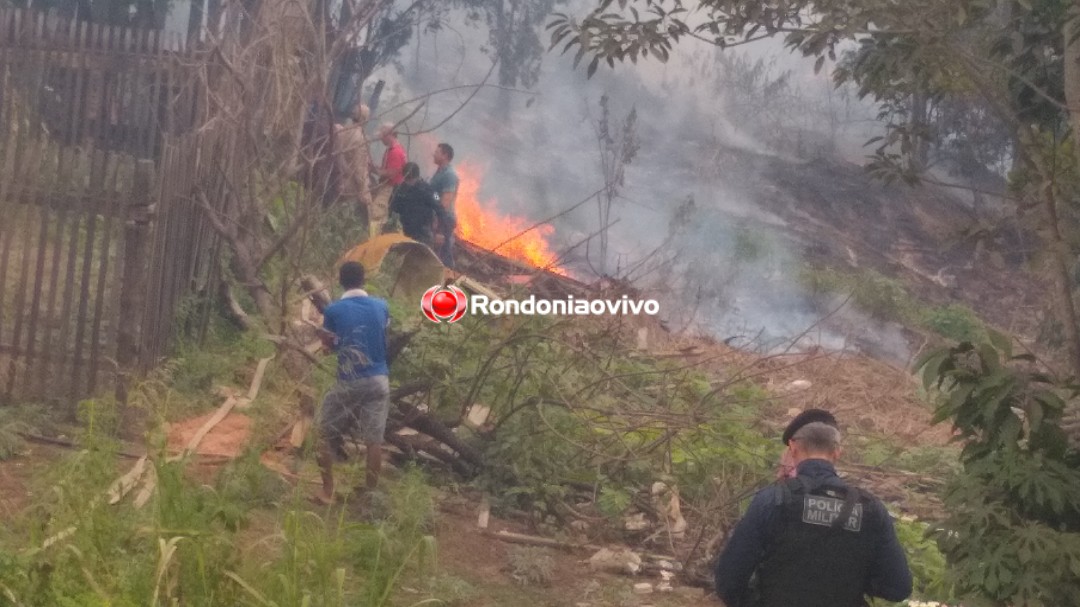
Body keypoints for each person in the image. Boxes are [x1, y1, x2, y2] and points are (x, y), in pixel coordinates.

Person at [714, 422, 912, 607]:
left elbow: (729, 581)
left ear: (792, 448)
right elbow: (898, 588)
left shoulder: (772, 500)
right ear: (837, 452)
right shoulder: (871, 508)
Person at [315, 261, 391, 505]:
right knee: (373, 440)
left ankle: (327, 492)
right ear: (363, 280)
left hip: (350, 380)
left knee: (321, 433)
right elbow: (380, 336)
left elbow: (330, 348)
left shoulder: (333, 311)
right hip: (379, 379)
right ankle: (370, 497)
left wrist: (328, 344)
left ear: (340, 281)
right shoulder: (382, 306)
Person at [386, 162, 453, 249]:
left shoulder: (429, 190)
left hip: (422, 233)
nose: (408, 182)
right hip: (403, 230)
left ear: (416, 177)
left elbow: (440, 208)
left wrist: (440, 231)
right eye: (406, 179)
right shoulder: (399, 189)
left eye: (410, 180)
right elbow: (391, 208)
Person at [333, 102, 373, 220]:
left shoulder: (342, 130)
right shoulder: (361, 140)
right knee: (342, 217)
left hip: (335, 176)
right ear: (365, 119)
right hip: (349, 184)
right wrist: (363, 190)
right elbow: (359, 168)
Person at [777, 408, 838, 480]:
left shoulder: (794, 449)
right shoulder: (788, 451)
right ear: (836, 453)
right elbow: (781, 472)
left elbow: (781, 473)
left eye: (792, 418)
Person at [369, 123, 407, 235]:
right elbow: (387, 168)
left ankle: (374, 240)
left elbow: (391, 173)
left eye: (382, 136)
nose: (381, 139)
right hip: (388, 187)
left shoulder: (395, 152)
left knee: (376, 213)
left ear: (389, 135)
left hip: (389, 188)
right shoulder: (392, 149)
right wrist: (374, 167)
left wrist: (374, 170)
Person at [429, 142, 459, 268]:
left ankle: (448, 281)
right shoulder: (440, 172)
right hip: (437, 216)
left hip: (444, 219)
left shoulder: (449, 175)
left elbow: (445, 203)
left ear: (445, 155)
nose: (433, 154)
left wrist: (439, 225)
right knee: (436, 252)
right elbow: (436, 195)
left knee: (444, 255)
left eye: (437, 152)